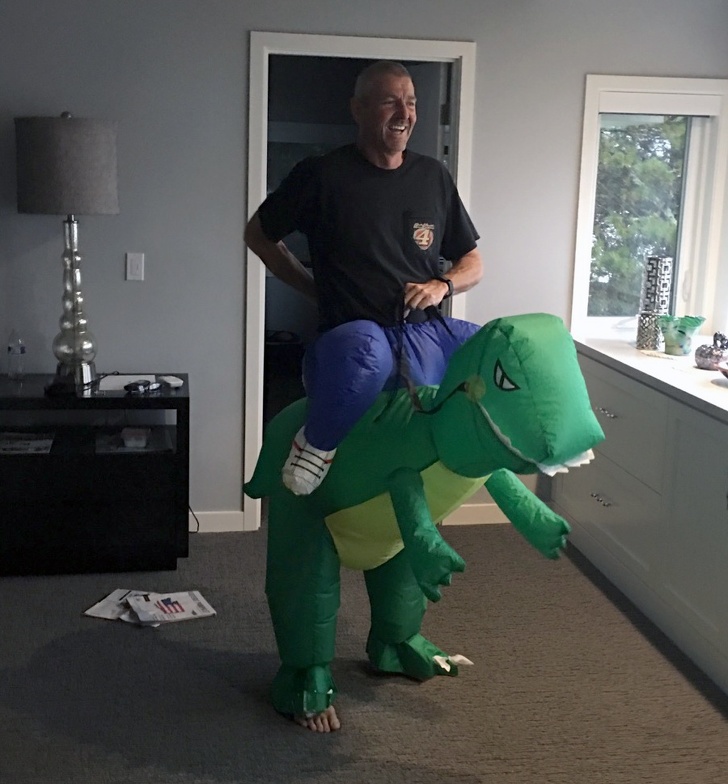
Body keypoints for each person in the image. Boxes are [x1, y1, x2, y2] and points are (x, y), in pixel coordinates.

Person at [245, 59, 483, 499]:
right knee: (367, 352)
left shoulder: (433, 176)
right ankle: (315, 445)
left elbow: (472, 260)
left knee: (495, 345)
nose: (405, 113)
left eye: (411, 102)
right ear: (358, 109)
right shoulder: (320, 175)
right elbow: (257, 235)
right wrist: (310, 287)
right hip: (352, 339)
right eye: (391, 102)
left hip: (421, 335)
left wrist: (442, 285)